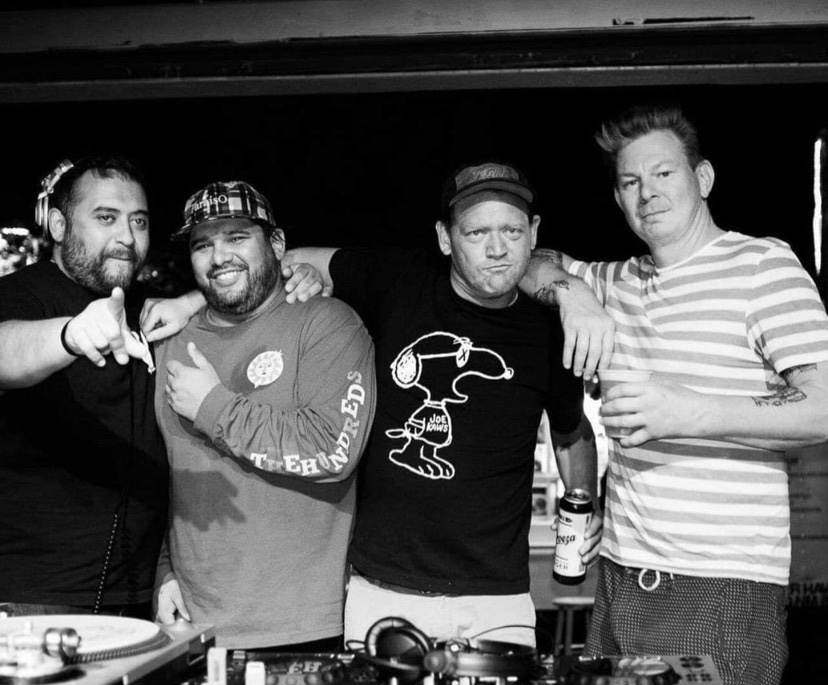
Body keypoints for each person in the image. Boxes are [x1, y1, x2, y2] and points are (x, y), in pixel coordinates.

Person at [144, 162, 604, 650]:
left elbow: (570, 431)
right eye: (476, 232)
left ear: (533, 232)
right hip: (382, 591)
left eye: (511, 230)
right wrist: (190, 302)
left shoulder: (551, 330)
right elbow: (275, 263)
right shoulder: (397, 281)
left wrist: (584, 499)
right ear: (445, 238)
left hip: (497, 596)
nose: (496, 248)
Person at [524, 104, 828, 685]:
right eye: (630, 182)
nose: (647, 192)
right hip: (621, 581)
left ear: (704, 178)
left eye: (663, 173)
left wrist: (688, 411)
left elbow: (823, 407)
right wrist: (573, 293)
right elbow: (533, 261)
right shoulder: (616, 279)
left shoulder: (762, 265)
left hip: (718, 587)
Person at [152, 181, 376, 651]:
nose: (219, 257)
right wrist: (164, 569)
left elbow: (332, 451)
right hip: (191, 624)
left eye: (236, 237)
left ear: (276, 244)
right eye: (202, 245)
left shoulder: (327, 323)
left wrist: (212, 405)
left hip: (305, 627)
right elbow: (169, 479)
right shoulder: (171, 341)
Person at [0, 155, 168, 618]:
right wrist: (70, 335)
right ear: (58, 225)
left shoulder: (147, 308)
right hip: (35, 599)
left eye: (138, 221)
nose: (127, 237)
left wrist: (193, 301)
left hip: (140, 596)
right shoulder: (19, 294)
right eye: (106, 218)